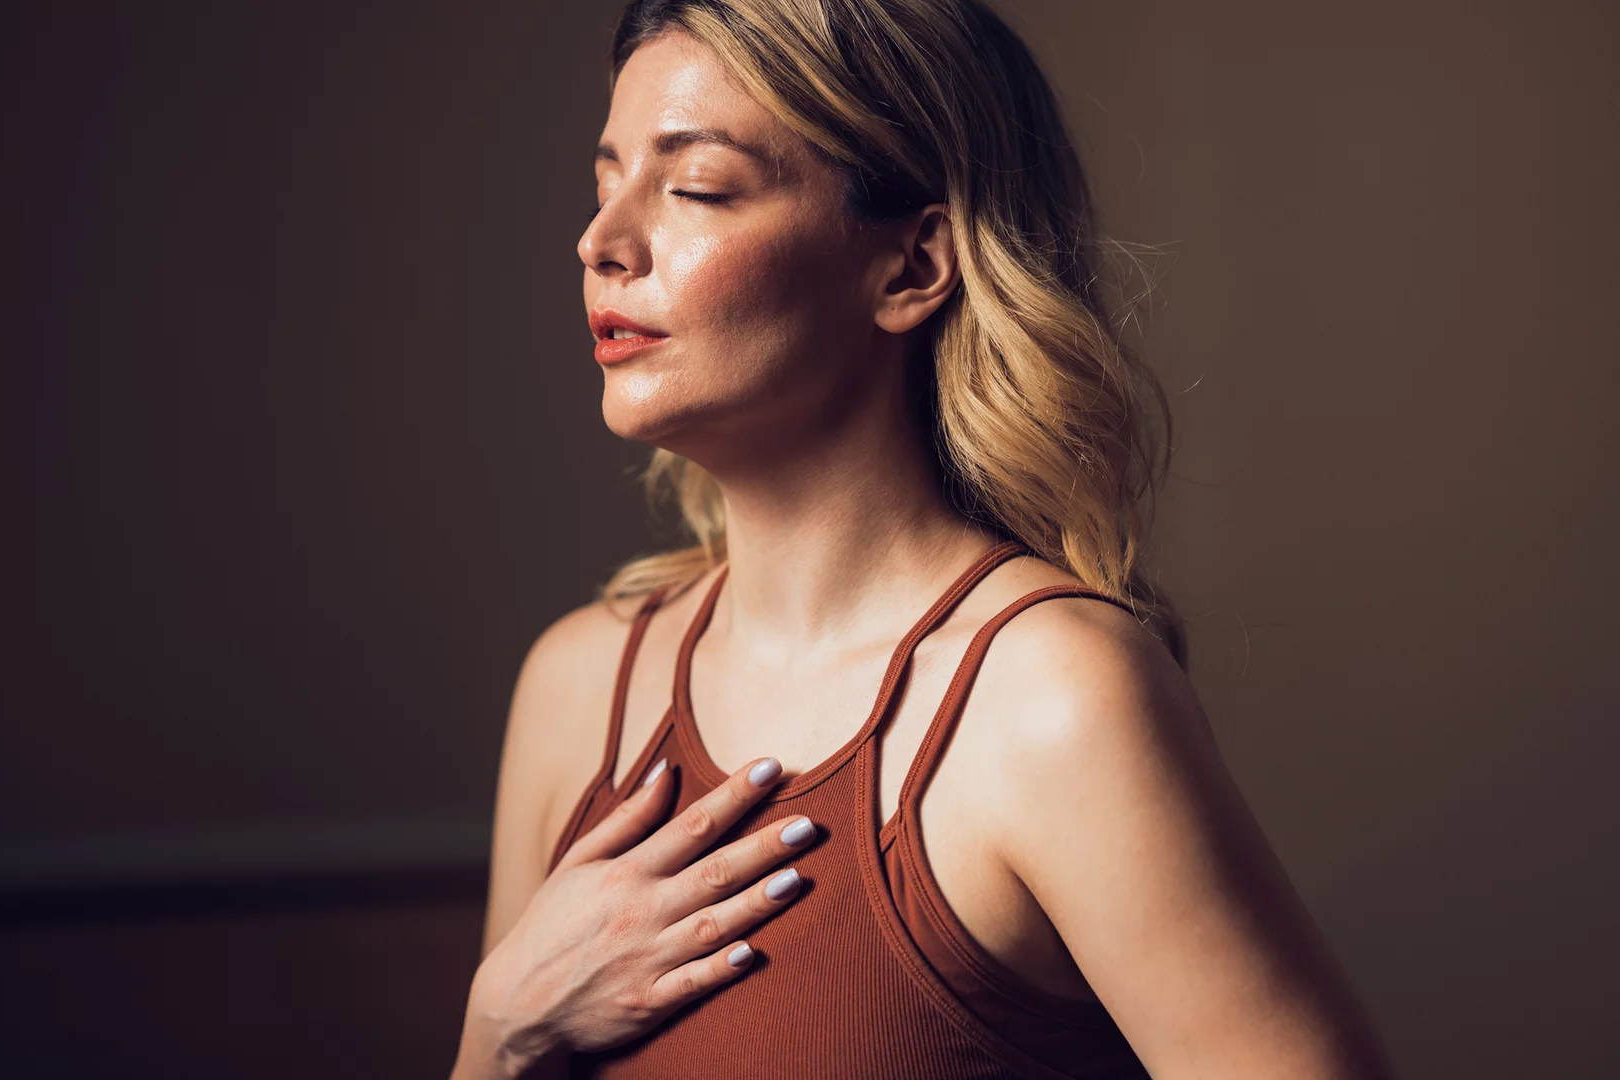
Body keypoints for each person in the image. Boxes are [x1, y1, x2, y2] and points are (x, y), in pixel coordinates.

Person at [452, 1, 1394, 1076]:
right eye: (606, 180)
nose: (602, 242)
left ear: (912, 267)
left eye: (695, 187)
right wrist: (502, 1027)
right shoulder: (577, 688)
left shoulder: (1054, 701)